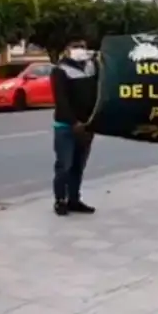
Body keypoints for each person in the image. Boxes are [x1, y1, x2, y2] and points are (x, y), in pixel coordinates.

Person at [51, 38, 98, 216]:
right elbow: (61, 100)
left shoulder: (91, 67)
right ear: (67, 50)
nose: (80, 50)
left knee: (79, 165)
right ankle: (60, 200)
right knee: (64, 165)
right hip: (65, 126)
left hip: (87, 125)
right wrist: (74, 122)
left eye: (82, 47)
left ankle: (74, 199)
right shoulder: (60, 70)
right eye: (75, 47)